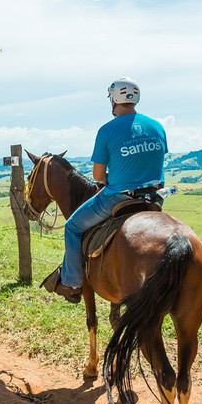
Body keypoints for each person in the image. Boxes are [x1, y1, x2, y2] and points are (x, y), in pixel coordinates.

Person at [47, 76, 168, 301]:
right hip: (155, 198)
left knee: (72, 226)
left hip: (118, 197)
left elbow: (98, 176)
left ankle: (72, 282)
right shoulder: (157, 126)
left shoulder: (106, 131)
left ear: (113, 101)